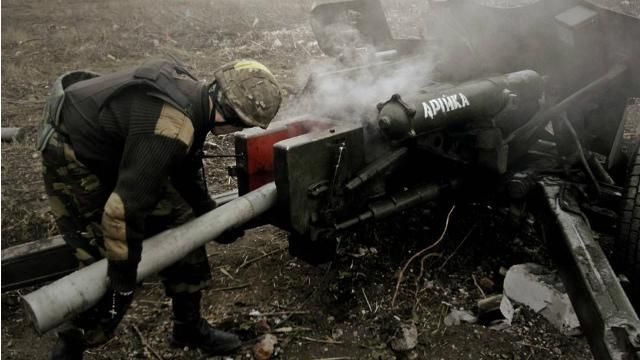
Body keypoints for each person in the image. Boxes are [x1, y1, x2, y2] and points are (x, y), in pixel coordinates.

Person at [36, 58, 282, 359]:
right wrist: (125, 279)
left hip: (126, 142)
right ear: (232, 120)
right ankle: (71, 347)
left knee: (182, 223)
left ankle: (188, 327)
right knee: (105, 264)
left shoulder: (199, 100)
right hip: (73, 150)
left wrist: (207, 210)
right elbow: (122, 210)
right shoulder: (172, 126)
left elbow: (185, 162)